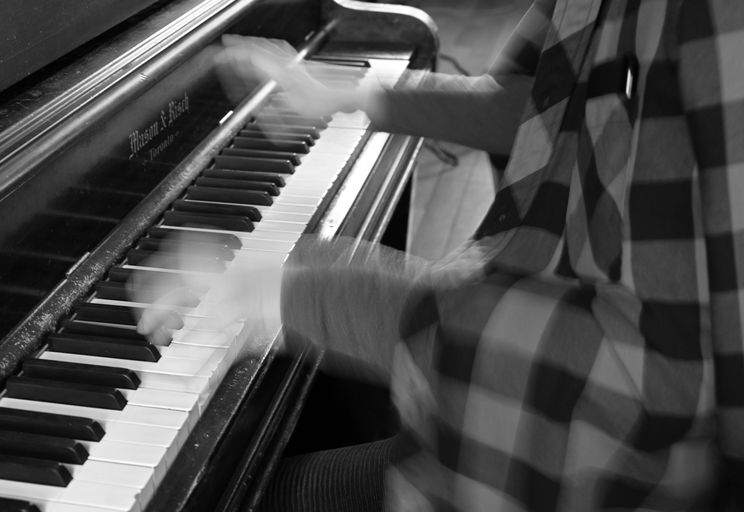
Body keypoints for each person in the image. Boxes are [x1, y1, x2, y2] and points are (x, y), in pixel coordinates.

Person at [132, 0, 744, 510]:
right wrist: (354, 95)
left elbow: (648, 381)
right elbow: (541, 102)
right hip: (506, 414)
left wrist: (281, 292)